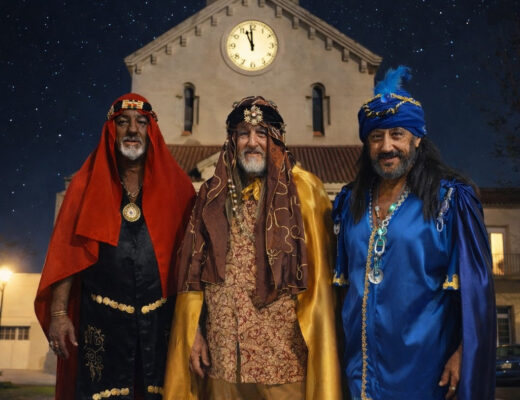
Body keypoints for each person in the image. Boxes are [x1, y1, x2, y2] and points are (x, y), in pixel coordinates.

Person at [332, 66, 496, 400]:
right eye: (376, 137)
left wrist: (465, 352)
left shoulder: (450, 200)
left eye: (397, 135)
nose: (387, 146)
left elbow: (477, 289)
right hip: (360, 368)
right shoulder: (350, 203)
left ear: (417, 138)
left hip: (426, 367)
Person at [163, 96, 342, 400]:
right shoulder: (212, 195)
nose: (252, 142)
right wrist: (194, 333)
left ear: (277, 139)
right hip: (222, 359)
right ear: (232, 140)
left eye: (262, 133)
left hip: (283, 361)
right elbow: (192, 273)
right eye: (244, 133)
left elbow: (322, 281)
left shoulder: (304, 191)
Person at [35, 93, 195, 399]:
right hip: (101, 323)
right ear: (112, 130)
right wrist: (58, 313)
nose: (133, 129)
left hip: (160, 323)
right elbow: (67, 255)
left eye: (141, 122)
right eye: (123, 122)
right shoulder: (84, 185)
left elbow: (194, 262)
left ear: (151, 131)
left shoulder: (180, 188)